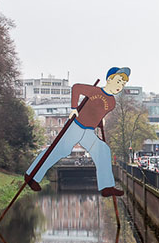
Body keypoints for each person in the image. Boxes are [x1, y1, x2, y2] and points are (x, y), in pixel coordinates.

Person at [24, 67, 130, 197]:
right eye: (118, 81)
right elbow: (76, 88)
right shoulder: (95, 90)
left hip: (89, 131)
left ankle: (106, 187)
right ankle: (31, 176)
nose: (120, 86)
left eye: (123, 84)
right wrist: (74, 108)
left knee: (103, 149)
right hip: (76, 126)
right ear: (109, 79)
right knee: (58, 150)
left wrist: (100, 122)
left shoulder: (112, 102)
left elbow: (94, 114)